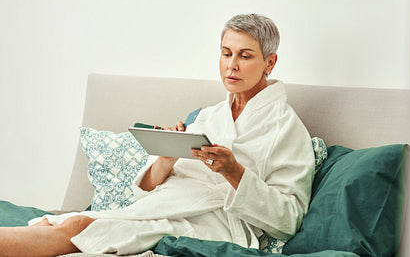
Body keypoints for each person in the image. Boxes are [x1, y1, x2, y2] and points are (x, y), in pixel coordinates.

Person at [0, 13, 315, 257]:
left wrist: (233, 172)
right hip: (164, 208)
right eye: (225, 53)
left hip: (212, 225)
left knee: (81, 227)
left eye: (245, 56)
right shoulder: (209, 116)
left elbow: (287, 221)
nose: (231, 66)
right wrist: (166, 158)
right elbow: (148, 188)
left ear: (269, 63)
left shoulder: (287, 130)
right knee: (53, 222)